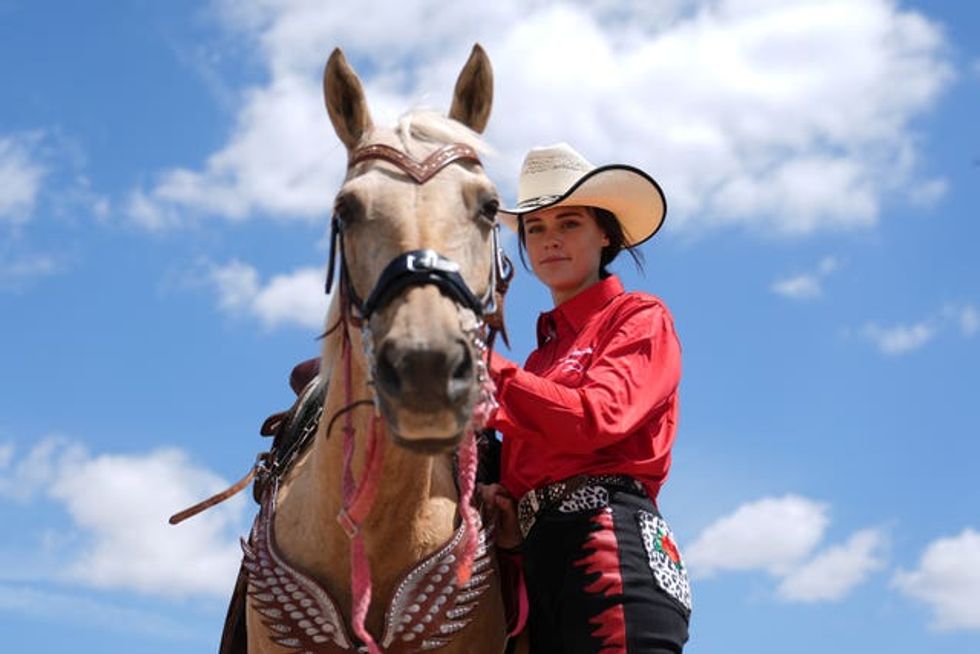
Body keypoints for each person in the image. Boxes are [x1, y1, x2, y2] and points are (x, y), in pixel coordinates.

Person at [482, 143, 691, 653]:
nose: (549, 240)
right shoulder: (535, 364)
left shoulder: (639, 316)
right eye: (535, 229)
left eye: (569, 223)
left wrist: (477, 363)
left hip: (613, 556)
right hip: (535, 571)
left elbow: (601, 417)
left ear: (605, 233)